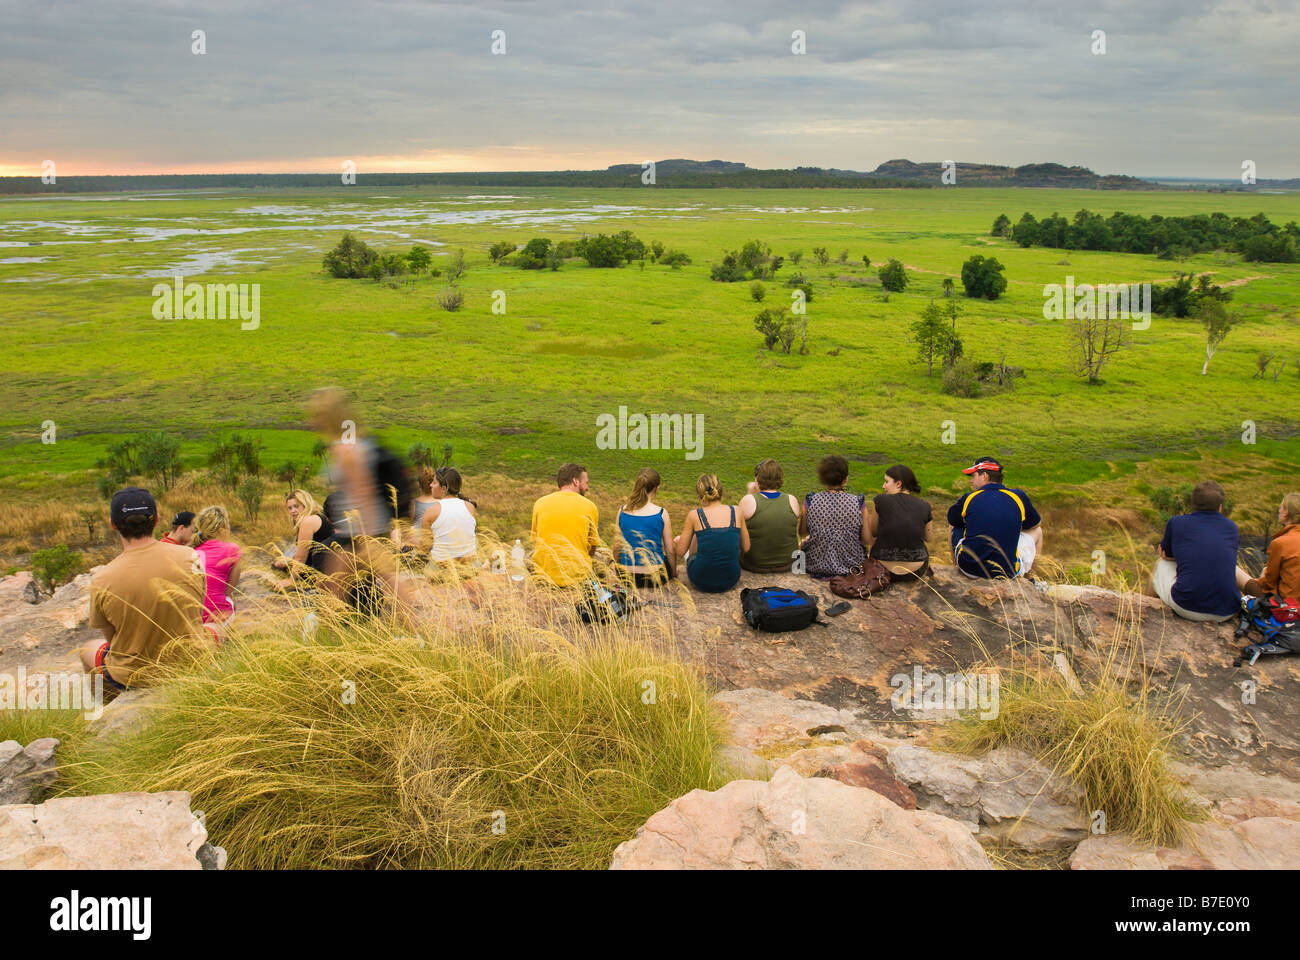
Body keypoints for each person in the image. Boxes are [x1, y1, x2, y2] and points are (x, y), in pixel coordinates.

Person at [79, 487, 213, 690]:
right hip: (191, 662)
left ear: (113, 524)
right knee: (217, 627)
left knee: (87, 649)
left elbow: (113, 640)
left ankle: (107, 712)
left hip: (137, 676)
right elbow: (196, 609)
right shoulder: (189, 556)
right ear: (157, 519)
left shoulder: (102, 579)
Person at [308, 386, 415, 620]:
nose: (312, 421)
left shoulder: (345, 449)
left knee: (373, 578)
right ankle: (325, 629)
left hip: (362, 530)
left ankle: (322, 629)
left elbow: (363, 491)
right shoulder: (354, 439)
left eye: (316, 416)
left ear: (327, 416)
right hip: (368, 528)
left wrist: (362, 537)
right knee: (342, 580)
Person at [1152, 480, 1244, 621]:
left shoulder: (1176, 522)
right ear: (1220, 507)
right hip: (1227, 611)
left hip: (1187, 606)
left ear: (1193, 504)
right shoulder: (1231, 527)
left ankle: (1144, 607)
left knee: (1159, 564)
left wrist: (1183, 555)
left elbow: (1164, 554)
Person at [947, 457, 1042, 579]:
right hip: (1007, 572)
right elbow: (1036, 524)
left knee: (953, 526)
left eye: (973, 476)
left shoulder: (969, 497)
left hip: (969, 568)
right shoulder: (1018, 496)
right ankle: (1030, 580)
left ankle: (957, 571)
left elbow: (952, 520)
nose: (971, 481)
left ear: (984, 476)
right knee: (1038, 531)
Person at [530, 463, 601, 586]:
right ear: (575, 481)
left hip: (545, 575)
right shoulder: (590, 506)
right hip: (577, 577)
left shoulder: (540, 503)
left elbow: (536, 540)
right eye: (586, 483)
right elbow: (592, 548)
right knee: (603, 556)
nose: (587, 488)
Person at [675, 474, 748, 593]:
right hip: (731, 579)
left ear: (700, 495)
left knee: (697, 540)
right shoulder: (737, 511)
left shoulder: (695, 515)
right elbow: (746, 547)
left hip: (700, 580)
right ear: (721, 492)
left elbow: (680, 552)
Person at [799, 455, 869, 577]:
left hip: (814, 563)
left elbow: (803, 531)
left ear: (822, 479)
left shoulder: (810, 501)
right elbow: (866, 539)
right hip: (851, 564)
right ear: (845, 479)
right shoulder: (858, 503)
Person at [868, 465, 933, 580]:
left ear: (898, 484)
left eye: (886, 482)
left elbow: (873, 532)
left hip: (882, 570)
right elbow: (929, 538)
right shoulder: (925, 505)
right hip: (916, 571)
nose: (883, 486)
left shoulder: (880, 500)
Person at [614, 468, 675, 587]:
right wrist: (673, 573)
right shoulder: (661, 513)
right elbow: (670, 550)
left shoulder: (622, 511)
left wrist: (618, 571)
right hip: (654, 577)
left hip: (627, 576)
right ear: (657, 488)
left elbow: (617, 547)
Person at [739, 459, 800, 573]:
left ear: (757, 479)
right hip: (788, 563)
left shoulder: (749, 500)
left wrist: (750, 492)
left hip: (755, 564)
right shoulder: (792, 500)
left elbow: (738, 527)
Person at [1242, 493, 1300, 599]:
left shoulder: (1281, 543)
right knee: (1265, 569)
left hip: (1288, 606)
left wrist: (1260, 580)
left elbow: (1268, 583)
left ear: (1286, 512)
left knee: (1235, 571)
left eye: (1281, 507)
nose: (1279, 511)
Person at [192, 505, 242, 623]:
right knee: (229, 599)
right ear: (222, 528)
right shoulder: (232, 549)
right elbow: (229, 590)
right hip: (217, 616)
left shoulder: (193, 551)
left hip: (194, 616)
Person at [271, 489, 334, 584]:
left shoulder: (308, 521)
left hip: (317, 573)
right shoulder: (320, 516)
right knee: (282, 560)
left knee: (276, 566)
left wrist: (290, 581)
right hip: (328, 567)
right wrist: (288, 560)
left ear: (305, 504)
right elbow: (304, 551)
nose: (293, 511)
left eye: (296, 506)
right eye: (290, 508)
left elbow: (301, 557)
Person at [424, 466, 478, 564]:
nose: (430, 485)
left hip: (442, 569)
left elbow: (425, 547)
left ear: (444, 488)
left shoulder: (431, 512)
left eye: (434, 482)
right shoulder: (470, 507)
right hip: (470, 565)